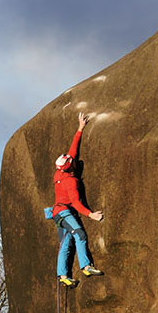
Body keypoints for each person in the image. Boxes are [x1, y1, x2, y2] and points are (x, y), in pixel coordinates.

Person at [47, 112, 104, 287]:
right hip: (64, 212)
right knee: (80, 235)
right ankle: (86, 266)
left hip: (58, 213)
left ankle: (63, 276)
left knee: (66, 243)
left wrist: (80, 128)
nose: (74, 162)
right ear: (70, 167)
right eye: (72, 162)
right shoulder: (70, 181)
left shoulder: (59, 172)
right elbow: (77, 203)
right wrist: (91, 215)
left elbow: (73, 151)